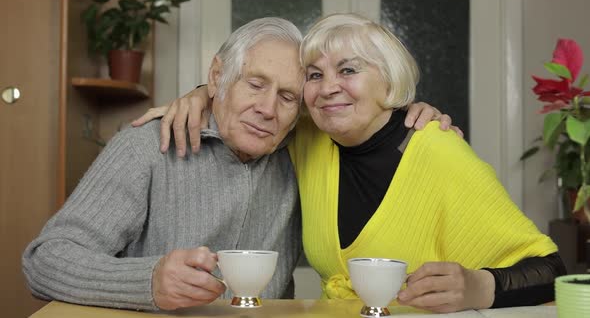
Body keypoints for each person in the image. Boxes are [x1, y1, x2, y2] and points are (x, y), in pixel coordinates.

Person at [139, 14, 566, 313]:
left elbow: (551, 269)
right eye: (314, 74)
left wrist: (478, 287)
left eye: (347, 70)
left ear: (389, 79)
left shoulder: (437, 150)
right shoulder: (307, 137)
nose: (328, 89)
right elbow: (250, 102)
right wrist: (202, 94)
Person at [22, 17, 447, 312]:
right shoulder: (147, 147)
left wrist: (408, 119)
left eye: (287, 97)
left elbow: (359, 117)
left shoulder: (306, 150)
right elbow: (44, 262)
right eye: (255, 84)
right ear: (219, 75)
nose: (266, 109)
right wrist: (148, 282)